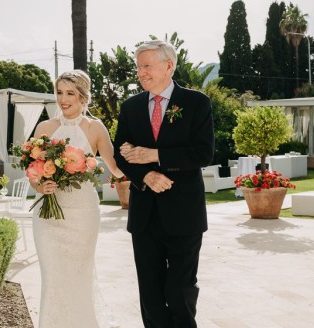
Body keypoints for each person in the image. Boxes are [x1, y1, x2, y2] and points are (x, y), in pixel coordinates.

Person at [114, 40, 214, 327]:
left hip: (185, 214)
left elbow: (203, 153)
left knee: (179, 291)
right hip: (144, 215)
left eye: (147, 66)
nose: (141, 73)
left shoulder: (197, 103)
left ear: (169, 65)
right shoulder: (131, 107)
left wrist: (155, 155)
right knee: (151, 294)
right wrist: (145, 175)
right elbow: (121, 154)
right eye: (138, 67)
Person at [29, 70, 124, 327]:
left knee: (79, 275)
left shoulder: (95, 127)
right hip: (48, 217)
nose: (63, 99)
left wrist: (142, 168)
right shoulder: (44, 128)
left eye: (70, 93)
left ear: (83, 96)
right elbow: (33, 171)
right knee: (53, 277)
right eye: (59, 92)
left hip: (83, 214)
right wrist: (40, 186)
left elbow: (114, 166)